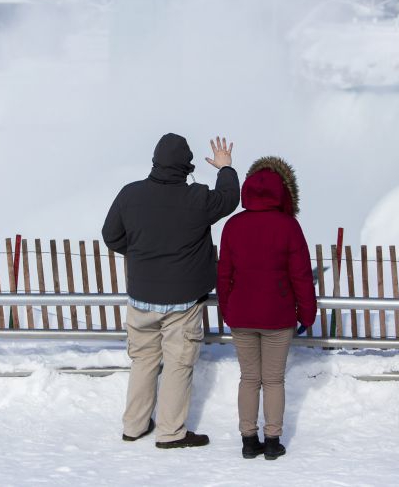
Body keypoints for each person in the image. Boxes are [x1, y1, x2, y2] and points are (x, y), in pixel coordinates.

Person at [102, 133, 239, 449]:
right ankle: (171, 432)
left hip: (140, 299)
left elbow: (111, 236)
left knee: (144, 361)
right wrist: (225, 167)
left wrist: (139, 253)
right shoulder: (198, 198)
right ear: (186, 167)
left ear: (155, 162)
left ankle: (134, 426)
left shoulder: (129, 195)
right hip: (183, 302)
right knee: (178, 364)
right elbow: (231, 198)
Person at [216, 156, 316, 461]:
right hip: (278, 316)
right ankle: (272, 441)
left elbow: (224, 274)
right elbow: (301, 275)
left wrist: (226, 310)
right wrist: (307, 314)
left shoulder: (232, 226)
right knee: (273, 380)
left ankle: (248, 439)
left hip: (242, 316)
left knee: (249, 379)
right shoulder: (289, 226)